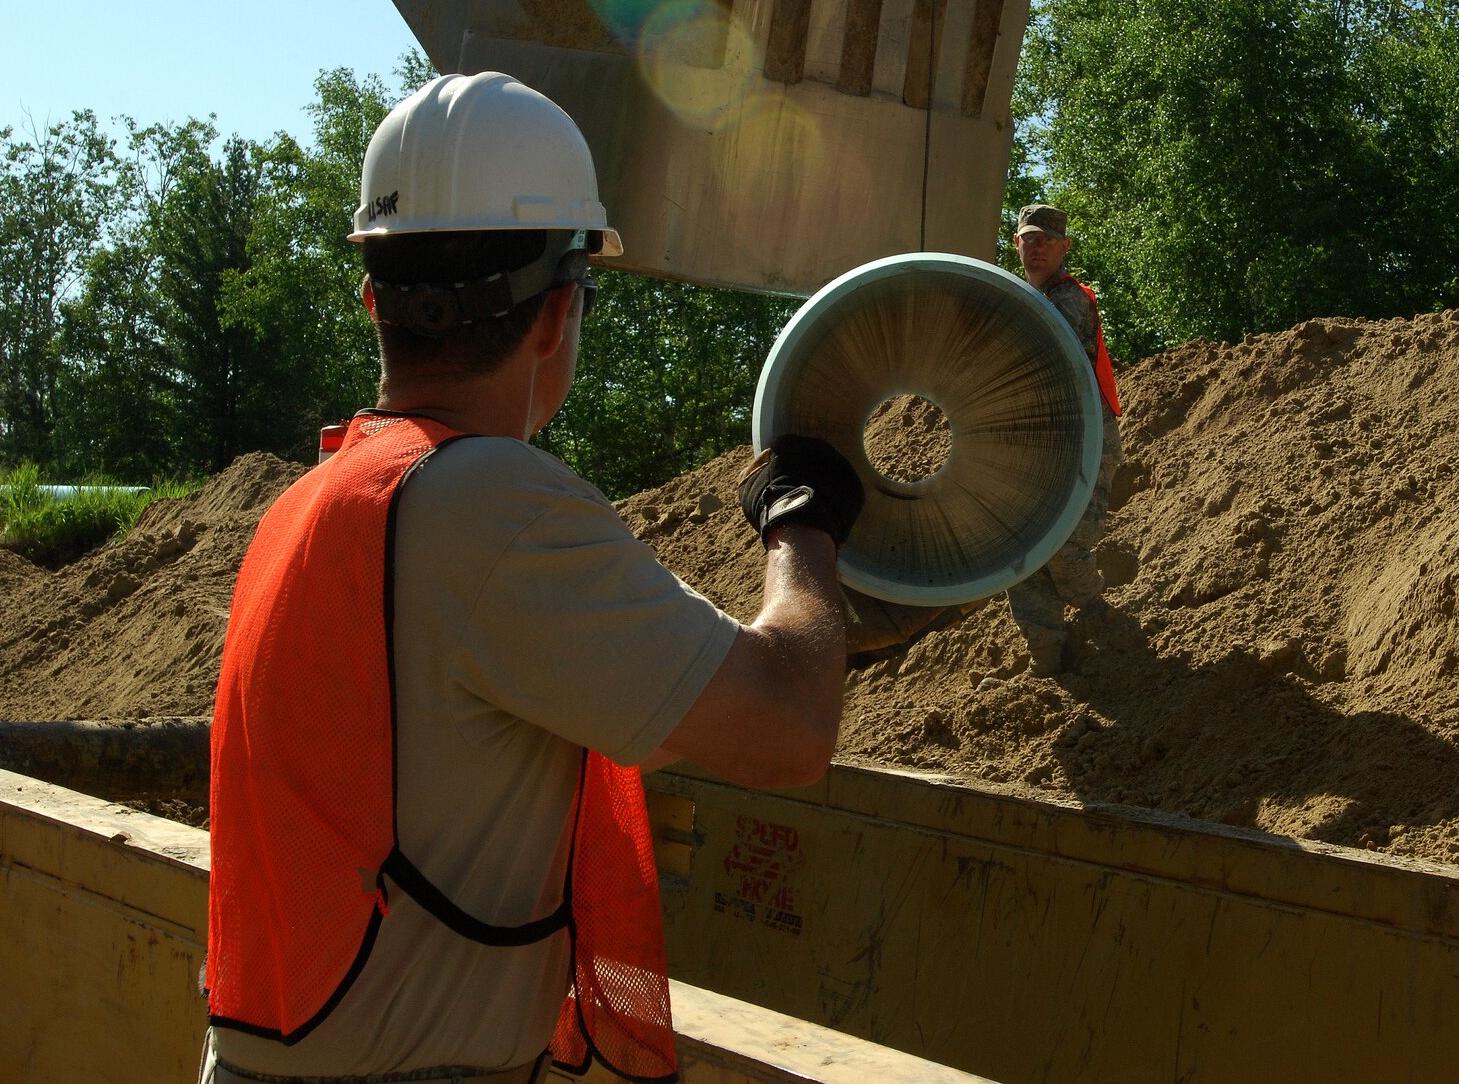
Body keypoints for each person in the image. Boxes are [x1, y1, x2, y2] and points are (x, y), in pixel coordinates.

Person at [200, 72, 864, 1084]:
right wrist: (801, 527)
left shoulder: (321, 500)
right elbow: (787, 724)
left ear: (373, 296)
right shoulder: (488, 505)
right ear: (558, 312)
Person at [1004, 203, 1123, 676]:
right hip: (1037, 446)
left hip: (1085, 441)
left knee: (1067, 548)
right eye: (1028, 240)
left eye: (1047, 241)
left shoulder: (1068, 299)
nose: (1036, 248)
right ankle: (1048, 663)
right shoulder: (1017, 298)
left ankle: (1109, 628)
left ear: (1064, 248)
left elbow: (1041, 356)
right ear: (1016, 244)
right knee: (1025, 557)